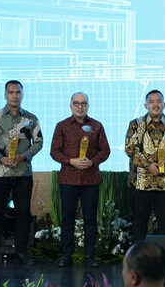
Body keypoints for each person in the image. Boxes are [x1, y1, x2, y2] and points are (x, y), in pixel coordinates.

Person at [0, 80, 43, 266]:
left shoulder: (31, 119)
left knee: (23, 214)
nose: (14, 96)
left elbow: (39, 142)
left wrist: (24, 156)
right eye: (11, 92)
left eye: (18, 92)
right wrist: (0, 159)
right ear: (5, 95)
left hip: (23, 174)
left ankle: (21, 253)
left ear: (22, 94)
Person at [50, 92, 110, 267]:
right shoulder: (62, 126)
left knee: (90, 220)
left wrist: (92, 162)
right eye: (76, 103)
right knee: (67, 219)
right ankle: (66, 256)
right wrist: (71, 161)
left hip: (90, 180)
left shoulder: (97, 126)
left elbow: (105, 150)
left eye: (83, 103)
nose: (80, 106)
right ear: (70, 106)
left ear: (88, 106)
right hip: (68, 179)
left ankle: (90, 256)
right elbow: (54, 151)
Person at [125, 90, 165, 241]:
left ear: (164, 104)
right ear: (146, 105)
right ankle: (138, 254)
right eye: (151, 101)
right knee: (139, 223)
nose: (155, 104)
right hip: (140, 184)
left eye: (159, 101)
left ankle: (164, 254)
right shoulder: (135, 124)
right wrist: (148, 165)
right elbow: (130, 149)